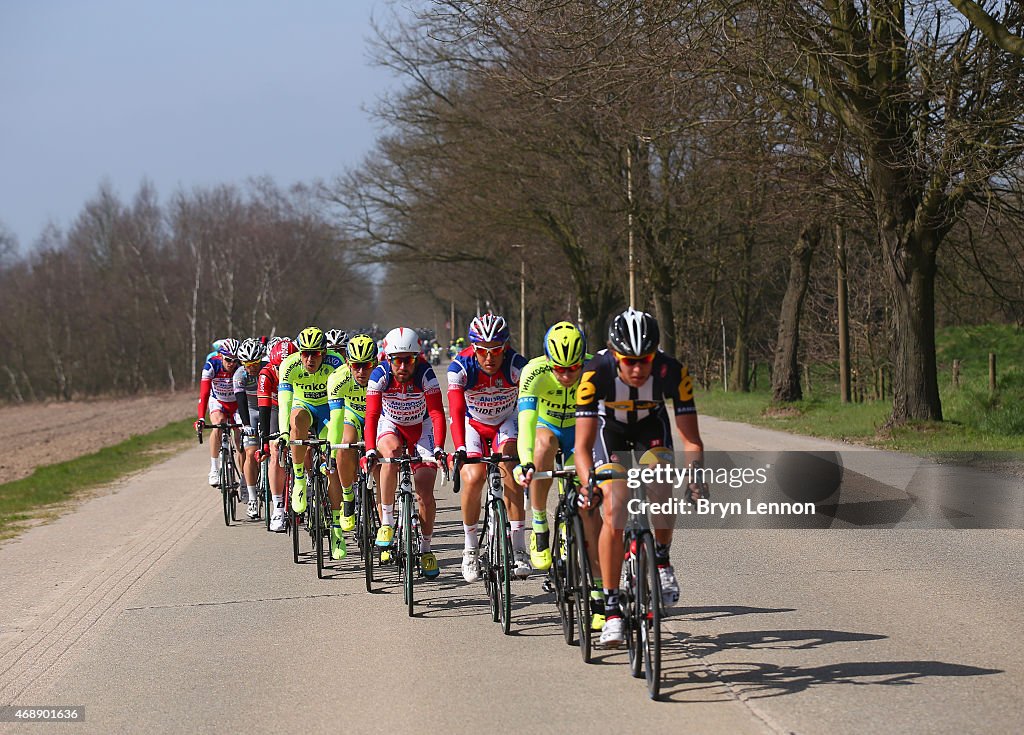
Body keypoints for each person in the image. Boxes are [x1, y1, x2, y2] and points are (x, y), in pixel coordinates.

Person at [574, 308, 705, 647]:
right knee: (615, 510)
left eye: (644, 360)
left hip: (651, 427)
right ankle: (613, 609)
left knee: (661, 482)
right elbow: (582, 447)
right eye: (627, 360)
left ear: (655, 354)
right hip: (610, 432)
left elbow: (691, 440)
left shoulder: (671, 371)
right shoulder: (595, 373)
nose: (636, 368)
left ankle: (661, 559)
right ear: (613, 353)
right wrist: (590, 486)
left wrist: (696, 476)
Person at [448, 313, 529, 581]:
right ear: (474, 348)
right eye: (483, 351)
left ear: (505, 347)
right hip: (474, 424)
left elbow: (530, 409)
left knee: (510, 470)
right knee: (473, 477)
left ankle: (519, 550)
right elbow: (457, 411)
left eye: (496, 351)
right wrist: (459, 448)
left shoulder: (518, 367)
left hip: (506, 422)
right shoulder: (461, 367)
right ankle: (470, 550)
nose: (490, 358)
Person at [362, 327, 447, 579]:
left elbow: (436, 413)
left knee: (424, 491)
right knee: (390, 454)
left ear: (417, 358)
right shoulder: (379, 375)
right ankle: (387, 523)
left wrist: (440, 447)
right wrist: (369, 450)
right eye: (397, 360)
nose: (402, 366)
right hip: (391, 426)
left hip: (421, 428)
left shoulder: (426, 374)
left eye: (408, 360)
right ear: (388, 359)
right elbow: (372, 416)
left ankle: (426, 549)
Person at [277, 327, 344, 516]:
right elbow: (284, 403)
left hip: (327, 409)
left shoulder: (335, 361)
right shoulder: (289, 365)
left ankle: (335, 525)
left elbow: (341, 402)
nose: (309, 359)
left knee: (331, 460)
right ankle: (299, 478)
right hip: (303, 405)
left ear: (324, 352)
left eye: (315, 354)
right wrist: (283, 434)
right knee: (296, 421)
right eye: (305, 354)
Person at [324, 334, 378, 560]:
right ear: (348, 363)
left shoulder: (383, 375)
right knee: (345, 444)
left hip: (379, 417)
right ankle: (348, 496)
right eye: (356, 366)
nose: (361, 372)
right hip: (353, 415)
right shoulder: (338, 378)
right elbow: (335, 421)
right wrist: (333, 451)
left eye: (366, 366)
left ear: (374, 362)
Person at [257, 338, 297, 531]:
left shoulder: (302, 369)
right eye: (280, 367)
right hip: (274, 409)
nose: (284, 371)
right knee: (275, 450)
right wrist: (263, 443)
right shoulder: (266, 374)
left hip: (297, 407)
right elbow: (264, 410)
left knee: (305, 447)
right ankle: (278, 508)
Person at [194, 338, 241, 486]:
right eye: (228, 359)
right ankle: (214, 469)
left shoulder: (240, 367)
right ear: (220, 356)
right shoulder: (211, 365)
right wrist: (201, 418)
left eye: (235, 360)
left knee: (241, 436)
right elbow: (204, 395)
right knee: (218, 424)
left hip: (236, 404)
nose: (232, 364)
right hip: (218, 401)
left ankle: (245, 480)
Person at [233, 338, 266, 517]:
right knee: (251, 452)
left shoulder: (268, 369)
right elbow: (241, 402)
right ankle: (252, 498)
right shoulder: (239, 375)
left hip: (270, 409)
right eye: (247, 364)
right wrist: (246, 425)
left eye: (255, 363)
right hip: (251, 411)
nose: (251, 367)